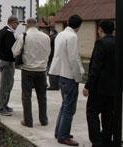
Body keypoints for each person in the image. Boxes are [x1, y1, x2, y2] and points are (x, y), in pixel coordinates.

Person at [49, 14, 85, 146]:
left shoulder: (61, 35)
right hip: (69, 75)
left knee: (65, 105)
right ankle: (63, 136)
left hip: (61, 74)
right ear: (79, 26)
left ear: (68, 22)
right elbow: (73, 59)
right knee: (69, 107)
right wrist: (78, 77)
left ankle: (59, 131)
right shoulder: (72, 36)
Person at [12, 18, 50, 128]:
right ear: (37, 25)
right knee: (42, 96)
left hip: (28, 69)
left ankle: (28, 121)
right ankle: (43, 119)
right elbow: (48, 52)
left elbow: (15, 52)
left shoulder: (24, 36)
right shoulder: (46, 37)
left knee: (26, 96)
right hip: (42, 70)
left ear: (27, 25)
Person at [83, 20, 115, 147]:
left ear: (100, 29)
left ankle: (97, 141)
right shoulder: (117, 42)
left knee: (92, 113)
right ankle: (107, 139)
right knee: (108, 114)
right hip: (113, 88)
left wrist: (88, 85)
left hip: (99, 87)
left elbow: (95, 67)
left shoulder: (101, 43)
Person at [0, 16, 19, 116]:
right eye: (17, 23)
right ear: (12, 22)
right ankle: (1, 107)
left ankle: (4, 104)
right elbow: (10, 49)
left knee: (8, 84)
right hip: (7, 61)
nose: (17, 25)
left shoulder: (3, 31)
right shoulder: (7, 33)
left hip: (4, 60)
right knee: (5, 85)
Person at [47, 25, 59, 90]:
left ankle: (53, 86)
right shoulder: (56, 35)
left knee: (51, 71)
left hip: (52, 55)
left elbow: (49, 40)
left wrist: (50, 36)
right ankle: (55, 85)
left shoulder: (54, 36)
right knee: (53, 70)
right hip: (53, 55)